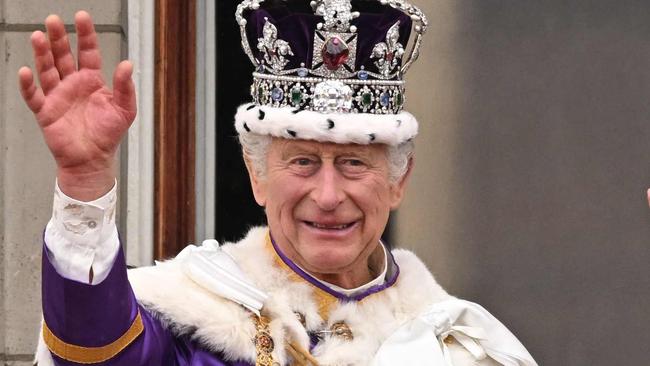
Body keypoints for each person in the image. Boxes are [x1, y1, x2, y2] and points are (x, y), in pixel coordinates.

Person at [21, 1, 539, 365]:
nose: (329, 196)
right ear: (258, 177)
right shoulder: (188, 321)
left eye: (355, 164)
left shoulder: (457, 347)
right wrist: (84, 181)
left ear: (399, 181)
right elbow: (93, 349)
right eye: (303, 163)